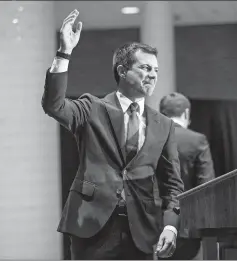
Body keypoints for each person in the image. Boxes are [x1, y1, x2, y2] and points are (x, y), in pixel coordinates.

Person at [41, 9, 184, 260]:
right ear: (122, 71)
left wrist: (171, 225)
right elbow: (54, 105)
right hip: (92, 228)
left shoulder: (164, 125)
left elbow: (172, 184)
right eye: (145, 67)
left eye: (156, 70)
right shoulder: (91, 108)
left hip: (142, 231)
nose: (152, 74)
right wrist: (64, 52)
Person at [159, 92, 215, 260]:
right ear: (185, 114)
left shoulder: (144, 139)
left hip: (146, 227)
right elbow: (206, 185)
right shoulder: (197, 141)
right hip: (185, 229)